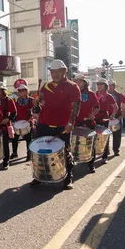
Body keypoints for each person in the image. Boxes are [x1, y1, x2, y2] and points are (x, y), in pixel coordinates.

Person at [35, 60, 81, 189]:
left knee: (64, 151)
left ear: (64, 72)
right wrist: (36, 104)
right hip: (45, 123)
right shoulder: (46, 86)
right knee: (40, 151)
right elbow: (40, 105)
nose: (54, 74)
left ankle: (67, 178)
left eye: (57, 72)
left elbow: (76, 106)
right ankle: (39, 175)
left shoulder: (72, 86)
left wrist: (71, 122)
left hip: (63, 125)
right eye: (52, 72)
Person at [73, 74, 100, 173]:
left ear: (85, 83)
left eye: (79, 81)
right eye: (76, 81)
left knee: (90, 144)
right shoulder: (73, 93)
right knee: (74, 144)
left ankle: (91, 164)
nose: (77, 83)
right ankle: (73, 162)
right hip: (76, 122)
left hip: (89, 122)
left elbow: (97, 107)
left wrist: (93, 114)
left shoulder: (92, 94)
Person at [94, 78, 118, 164]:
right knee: (93, 137)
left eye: (101, 84)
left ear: (105, 86)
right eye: (98, 84)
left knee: (104, 137)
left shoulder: (109, 96)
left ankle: (104, 156)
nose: (99, 86)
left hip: (104, 118)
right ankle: (92, 156)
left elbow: (115, 107)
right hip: (93, 118)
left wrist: (112, 115)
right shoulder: (94, 95)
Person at [11, 83, 35, 161]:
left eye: (22, 90)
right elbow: (14, 111)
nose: (21, 92)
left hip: (28, 122)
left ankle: (29, 154)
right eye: (19, 91)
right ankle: (14, 153)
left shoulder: (31, 100)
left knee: (28, 139)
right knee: (15, 139)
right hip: (18, 122)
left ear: (26, 91)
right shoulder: (16, 100)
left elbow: (35, 110)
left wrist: (31, 117)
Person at [108, 80, 125, 156]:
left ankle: (116, 150)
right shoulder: (104, 95)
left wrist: (124, 112)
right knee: (105, 135)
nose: (109, 87)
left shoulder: (119, 95)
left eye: (111, 85)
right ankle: (106, 151)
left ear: (114, 86)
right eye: (108, 85)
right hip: (106, 117)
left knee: (116, 135)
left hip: (116, 117)